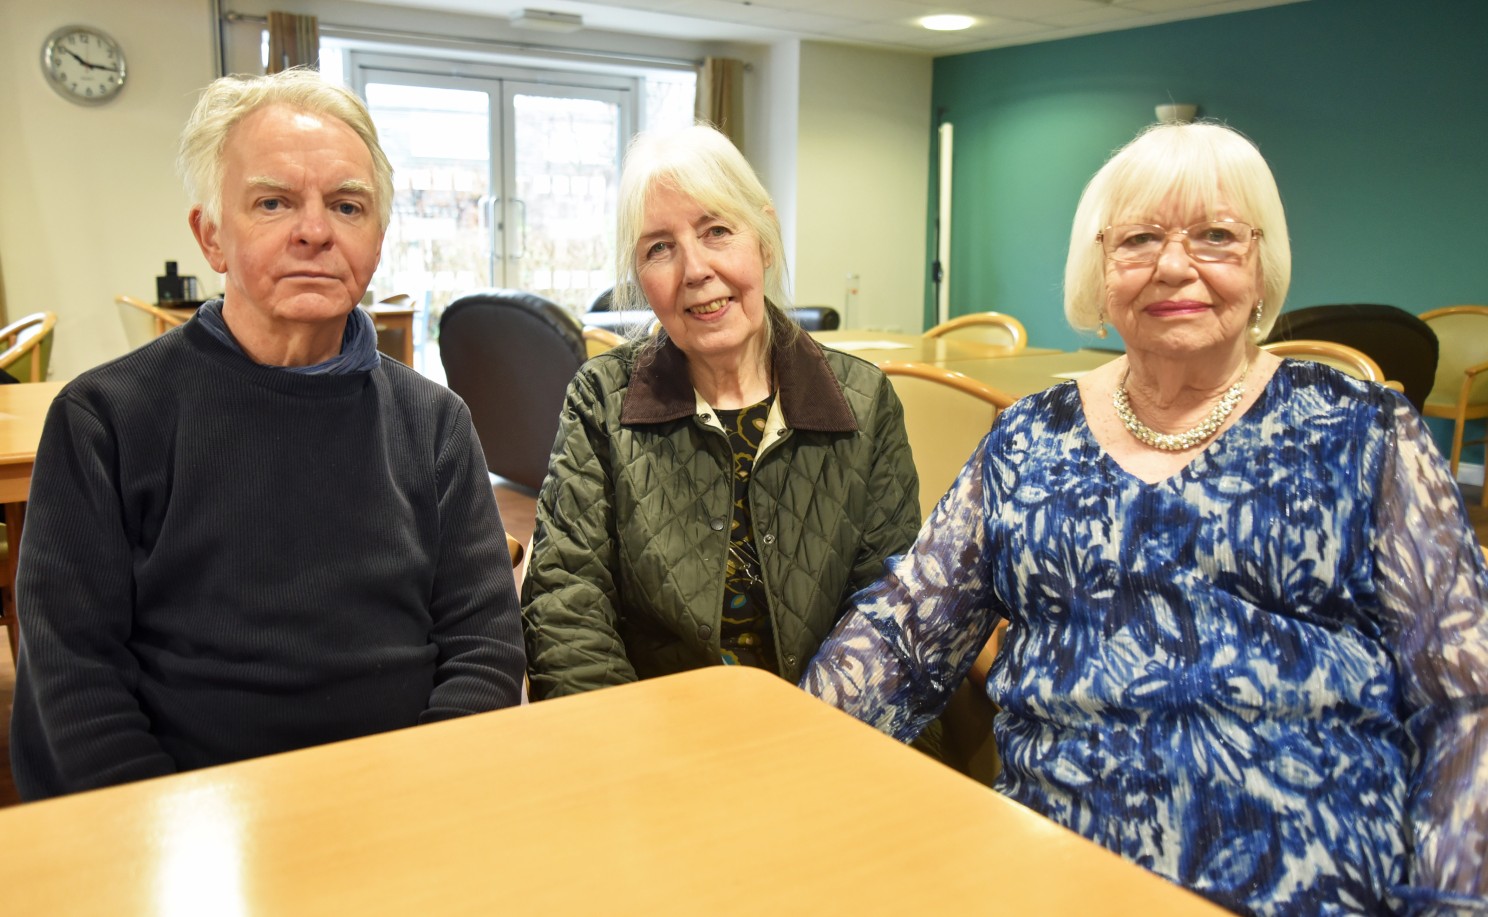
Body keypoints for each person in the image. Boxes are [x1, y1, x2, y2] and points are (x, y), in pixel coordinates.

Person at [803, 122, 1488, 915]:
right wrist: (784, 764)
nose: (1173, 264)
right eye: (1138, 239)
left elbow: (1466, 695)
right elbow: (900, 638)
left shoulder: (1363, 429)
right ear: (1099, 272)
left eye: (1216, 236)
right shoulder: (1029, 437)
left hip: (1312, 876)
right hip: (1050, 868)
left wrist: (1453, 901)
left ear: (1262, 267)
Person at [10, 69, 526, 800]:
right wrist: (162, 835)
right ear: (211, 236)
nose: (314, 230)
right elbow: (74, 677)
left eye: (347, 205)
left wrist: (425, 797)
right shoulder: (105, 420)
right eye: (273, 202)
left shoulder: (435, 422)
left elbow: (483, 649)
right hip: (181, 828)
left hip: (406, 803)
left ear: (377, 236)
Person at [521, 124, 920, 697]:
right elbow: (566, 608)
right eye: (660, 247)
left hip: (825, 740)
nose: (695, 270)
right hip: (648, 743)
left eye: (717, 231)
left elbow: (892, 615)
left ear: (763, 235)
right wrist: (628, 755)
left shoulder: (864, 401)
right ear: (639, 276)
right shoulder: (600, 401)